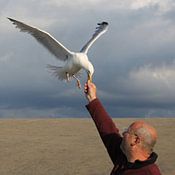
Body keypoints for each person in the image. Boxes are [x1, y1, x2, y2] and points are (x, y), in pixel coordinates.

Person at [84, 81, 161, 175]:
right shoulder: (124, 157)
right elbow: (108, 131)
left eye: (127, 131)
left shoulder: (150, 173)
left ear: (136, 140)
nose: (123, 134)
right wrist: (92, 98)